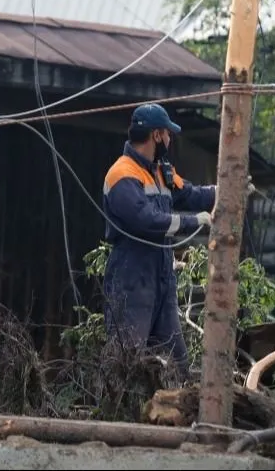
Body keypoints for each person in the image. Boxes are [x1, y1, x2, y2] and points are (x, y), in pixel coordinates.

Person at [101, 103, 215, 381]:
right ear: (156, 135)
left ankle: (173, 414)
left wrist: (223, 190)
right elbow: (147, 220)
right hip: (132, 275)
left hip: (161, 276)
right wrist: (195, 221)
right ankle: (115, 417)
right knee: (126, 360)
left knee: (177, 362)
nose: (169, 140)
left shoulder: (160, 170)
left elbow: (189, 194)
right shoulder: (122, 174)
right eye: (167, 134)